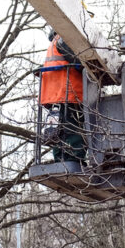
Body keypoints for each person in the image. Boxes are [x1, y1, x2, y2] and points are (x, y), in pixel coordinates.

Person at [39, 30, 86, 164]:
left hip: (55, 93)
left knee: (59, 129)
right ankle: (73, 159)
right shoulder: (65, 38)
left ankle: (61, 158)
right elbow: (81, 61)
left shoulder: (56, 41)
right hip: (68, 92)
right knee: (73, 128)